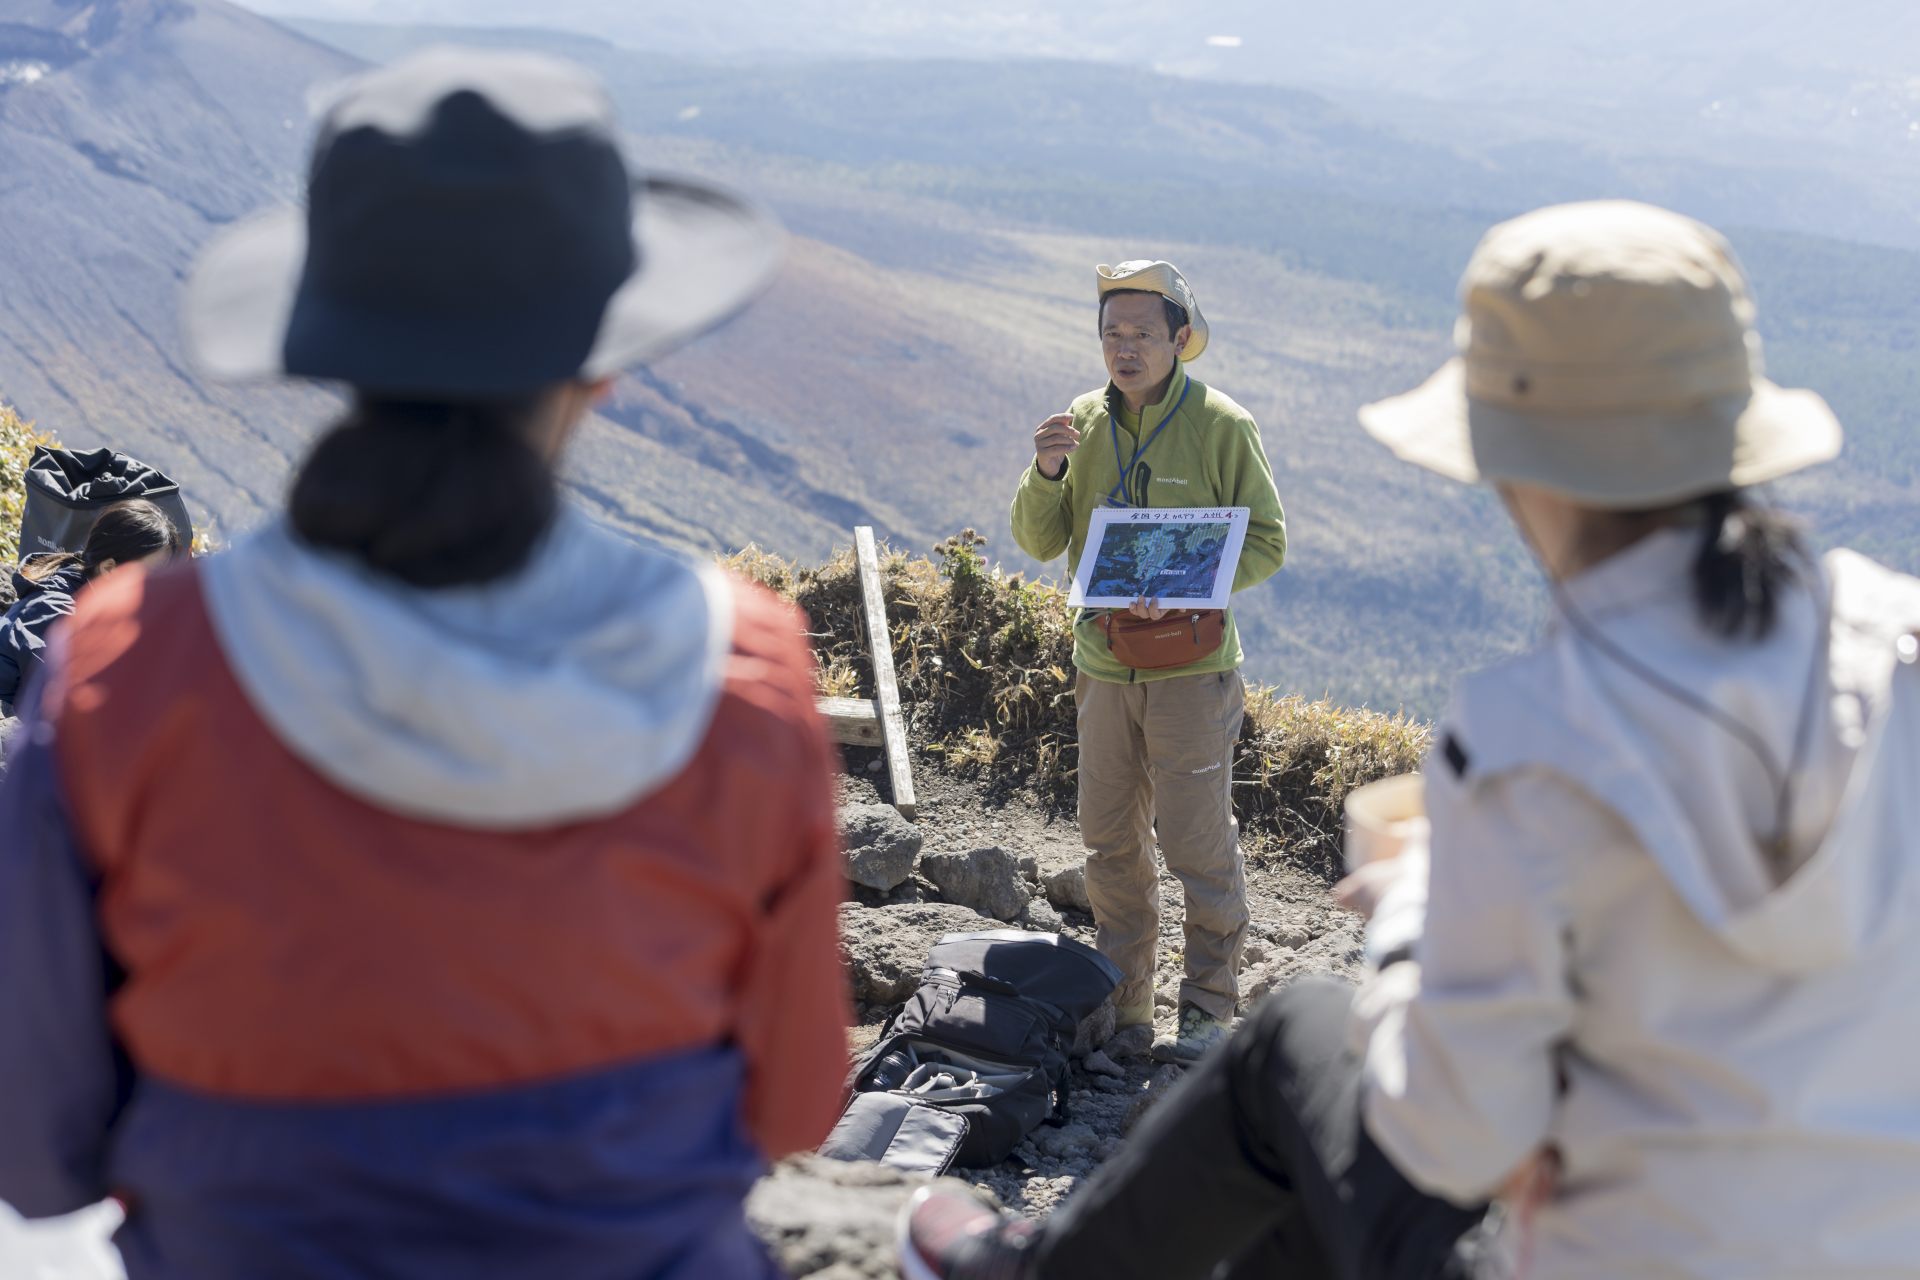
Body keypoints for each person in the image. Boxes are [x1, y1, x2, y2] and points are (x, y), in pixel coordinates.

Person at [905, 200, 1920, 1279]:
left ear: (1516, 461)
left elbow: (1449, 1131)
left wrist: (1412, 918)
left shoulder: (1536, 736)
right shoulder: (1895, 634)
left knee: (1296, 1041)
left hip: (1613, 1247)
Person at [0, 48, 850, 1279]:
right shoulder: (744, 669)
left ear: (331, 338)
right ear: (603, 364)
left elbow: (35, 1152)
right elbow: (792, 1108)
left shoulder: (127, 668)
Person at [1011, 260, 1287, 1064]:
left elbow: (1267, 541)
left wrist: (1188, 585)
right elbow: (1040, 541)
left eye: (1141, 333)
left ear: (1179, 338)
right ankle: (1127, 1006)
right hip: (1101, 662)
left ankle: (1205, 1012)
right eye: (1111, 333)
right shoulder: (1081, 423)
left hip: (1190, 673)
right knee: (1108, 842)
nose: (1123, 347)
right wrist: (1047, 471)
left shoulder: (1223, 425)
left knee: (1198, 842)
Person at [0, 498, 184, 715]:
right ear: (108, 569)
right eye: (149, 577)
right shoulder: (56, 615)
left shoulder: (86, 588)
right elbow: (65, 712)